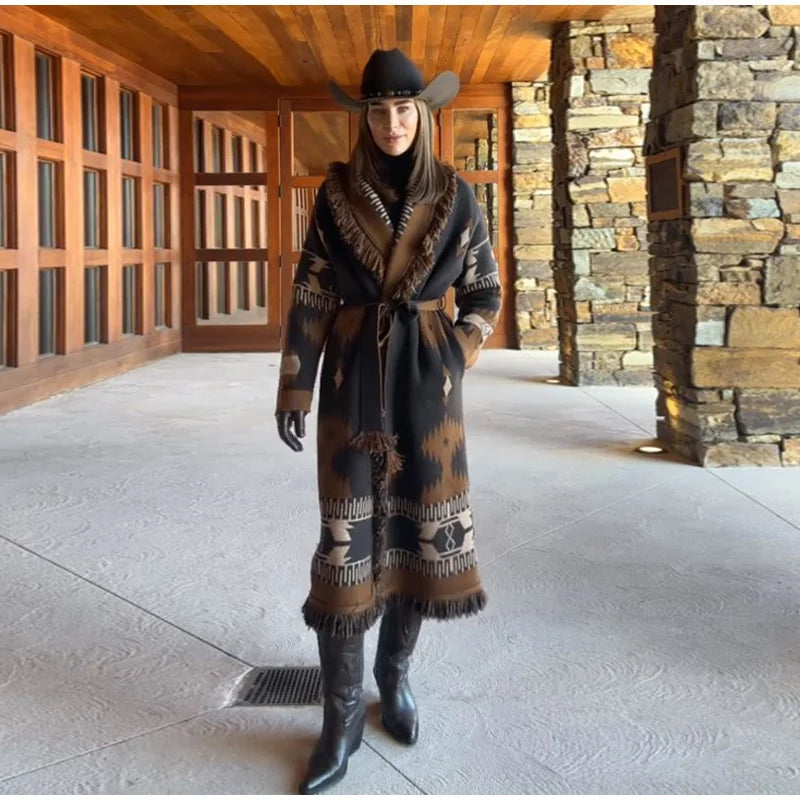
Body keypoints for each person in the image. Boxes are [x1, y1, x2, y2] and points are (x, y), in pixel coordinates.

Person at [275, 48, 502, 795]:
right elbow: (311, 290)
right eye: (378, 109)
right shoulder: (336, 194)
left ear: (424, 115)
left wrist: (453, 354)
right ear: (363, 117)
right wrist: (294, 387)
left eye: (404, 109)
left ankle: (393, 676)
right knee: (347, 545)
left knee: (414, 537)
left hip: (429, 395)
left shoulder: (458, 196)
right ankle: (340, 717)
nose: (392, 122)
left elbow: (486, 292)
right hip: (351, 385)